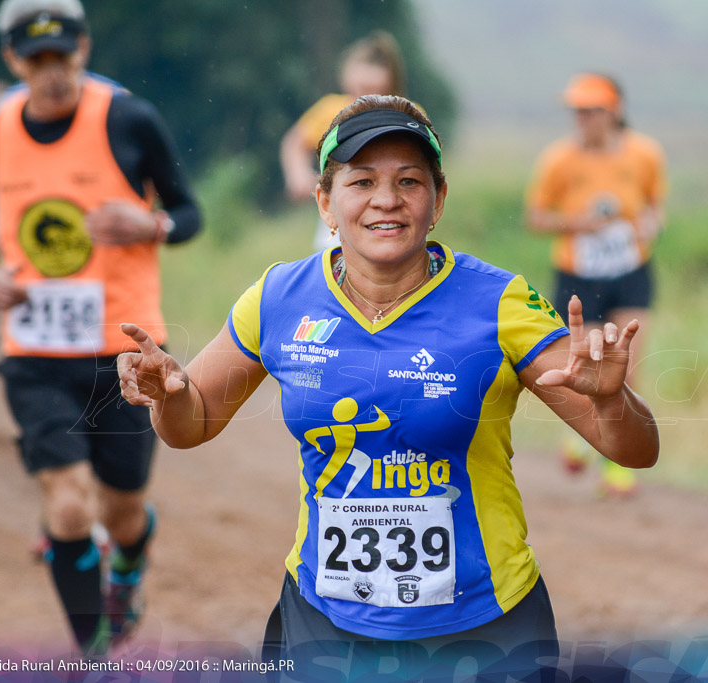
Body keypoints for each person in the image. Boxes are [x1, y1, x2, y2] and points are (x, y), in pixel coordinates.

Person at [118, 95, 658, 679]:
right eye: (362, 181)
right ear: (325, 201)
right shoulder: (278, 297)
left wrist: (611, 397)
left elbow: (635, 449)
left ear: (438, 199)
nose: (386, 200)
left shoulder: (497, 302)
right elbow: (191, 425)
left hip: (484, 625)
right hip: (324, 623)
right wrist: (170, 395)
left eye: (409, 181)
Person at [0, 0, 201, 654]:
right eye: (37, 60)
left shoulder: (130, 120)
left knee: (120, 510)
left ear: (84, 50)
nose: (53, 73)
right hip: (35, 352)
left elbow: (188, 211)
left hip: (124, 354)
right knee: (67, 506)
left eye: (65, 56)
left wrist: (153, 225)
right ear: (13, 60)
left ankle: (130, 558)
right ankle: (94, 650)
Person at [526, 73, 667, 498]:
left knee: (628, 368)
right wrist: (578, 224)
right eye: (578, 110)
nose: (583, 117)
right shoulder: (558, 160)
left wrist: (647, 225)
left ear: (615, 110)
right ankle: (582, 437)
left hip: (631, 270)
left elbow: (656, 206)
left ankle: (618, 467)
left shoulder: (645, 154)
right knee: (591, 367)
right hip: (579, 276)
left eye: (592, 109)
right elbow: (535, 217)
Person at [279, 30, 407, 251]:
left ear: (390, 83)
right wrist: (297, 173)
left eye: (372, 91)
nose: (361, 99)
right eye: (357, 91)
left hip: (393, 206)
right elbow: (295, 143)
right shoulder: (332, 109)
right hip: (340, 210)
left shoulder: (406, 114)